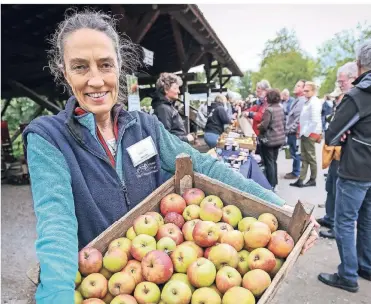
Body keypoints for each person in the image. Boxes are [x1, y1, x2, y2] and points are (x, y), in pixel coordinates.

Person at [22, 11, 320, 303]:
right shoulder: (48, 138)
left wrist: (278, 205)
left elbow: (204, 165)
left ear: (119, 67)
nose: (96, 80)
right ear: (64, 72)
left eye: (105, 65)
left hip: (166, 270)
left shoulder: (145, 126)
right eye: (80, 67)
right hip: (103, 281)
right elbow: (56, 223)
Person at [318, 40, 371, 292]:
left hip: (356, 168)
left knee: (345, 221)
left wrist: (346, 133)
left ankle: (348, 275)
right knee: (367, 218)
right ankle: (366, 266)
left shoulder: (358, 95)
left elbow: (331, 134)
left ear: (359, 65)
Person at [317, 62, 357, 239]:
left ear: (353, 79)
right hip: (335, 152)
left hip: (345, 156)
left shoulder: (355, 100)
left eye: (342, 82)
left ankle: (335, 225)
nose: (340, 85)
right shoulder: (345, 98)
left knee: (339, 191)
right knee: (330, 187)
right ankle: (329, 217)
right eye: (339, 82)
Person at [290, 82, 322, 188]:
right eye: (304, 90)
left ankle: (312, 179)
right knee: (304, 157)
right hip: (306, 133)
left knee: (310, 157)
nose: (305, 93)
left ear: (313, 91)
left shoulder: (314, 102)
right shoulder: (308, 101)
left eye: (307, 91)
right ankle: (301, 179)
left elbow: (315, 121)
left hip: (310, 133)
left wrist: (306, 133)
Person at [151, 72, 194, 143]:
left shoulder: (167, 106)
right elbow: (165, 138)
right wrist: (186, 138)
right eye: (175, 88)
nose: (178, 91)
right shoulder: (163, 108)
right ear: (166, 89)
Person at [258, 89, 285, 191]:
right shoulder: (280, 108)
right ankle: (275, 183)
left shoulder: (269, 110)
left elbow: (264, 126)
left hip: (269, 140)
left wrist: (259, 125)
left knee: (269, 163)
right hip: (278, 140)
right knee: (274, 162)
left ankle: (271, 185)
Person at [284, 80, 306, 180]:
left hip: (294, 132)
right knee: (293, 152)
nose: (295, 87)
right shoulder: (296, 100)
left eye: (298, 86)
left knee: (296, 152)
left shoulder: (301, 101)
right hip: (291, 131)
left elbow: (298, 119)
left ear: (303, 89)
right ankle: (295, 171)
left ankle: (296, 172)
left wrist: (290, 129)